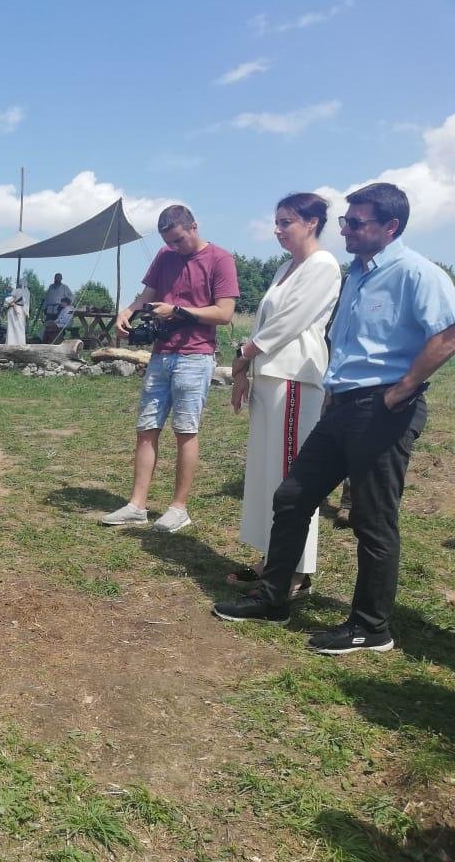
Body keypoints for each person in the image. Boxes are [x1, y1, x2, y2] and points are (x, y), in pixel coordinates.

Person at [213, 183, 455, 654]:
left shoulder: (415, 273)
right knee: (292, 495)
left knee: (372, 517)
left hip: (385, 407)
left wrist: (403, 390)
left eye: (356, 222)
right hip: (341, 404)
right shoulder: (358, 275)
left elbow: (446, 334)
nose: (346, 229)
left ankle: (370, 626)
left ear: (391, 227)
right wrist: (334, 393)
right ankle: (273, 597)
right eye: (346, 221)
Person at [226, 193, 340, 598]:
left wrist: (244, 355)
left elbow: (289, 324)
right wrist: (247, 368)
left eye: (286, 221)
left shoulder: (323, 266)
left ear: (311, 223)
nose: (277, 230)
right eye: (276, 222)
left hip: (295, 377)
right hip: (271, 375)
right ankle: (272, 558)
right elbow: (264, 321)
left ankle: (296, 571)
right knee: (264, 475)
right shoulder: (283, 267)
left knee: (292, 477)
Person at [100, 205, 239, 532]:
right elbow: (147, 294)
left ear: (194, 225)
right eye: (169, 242)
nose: (175, 247)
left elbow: (225, 313)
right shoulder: (164, 256)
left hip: (196, 355)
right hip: (161, 355)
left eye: (179, 240)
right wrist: (128, 311)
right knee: (146, 428)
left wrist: (178, 310)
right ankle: (137, 505)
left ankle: (179, 508)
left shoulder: (220, 259)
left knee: (185, 431)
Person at [3, 280, 30, 345]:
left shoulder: (17, 290)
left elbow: (7, 300)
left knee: (11, 328)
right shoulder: (27, 292)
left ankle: (11, 343)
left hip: (13, 310)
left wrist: (11, 303)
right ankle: (20, 343)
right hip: (21, 310)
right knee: (20, 328)